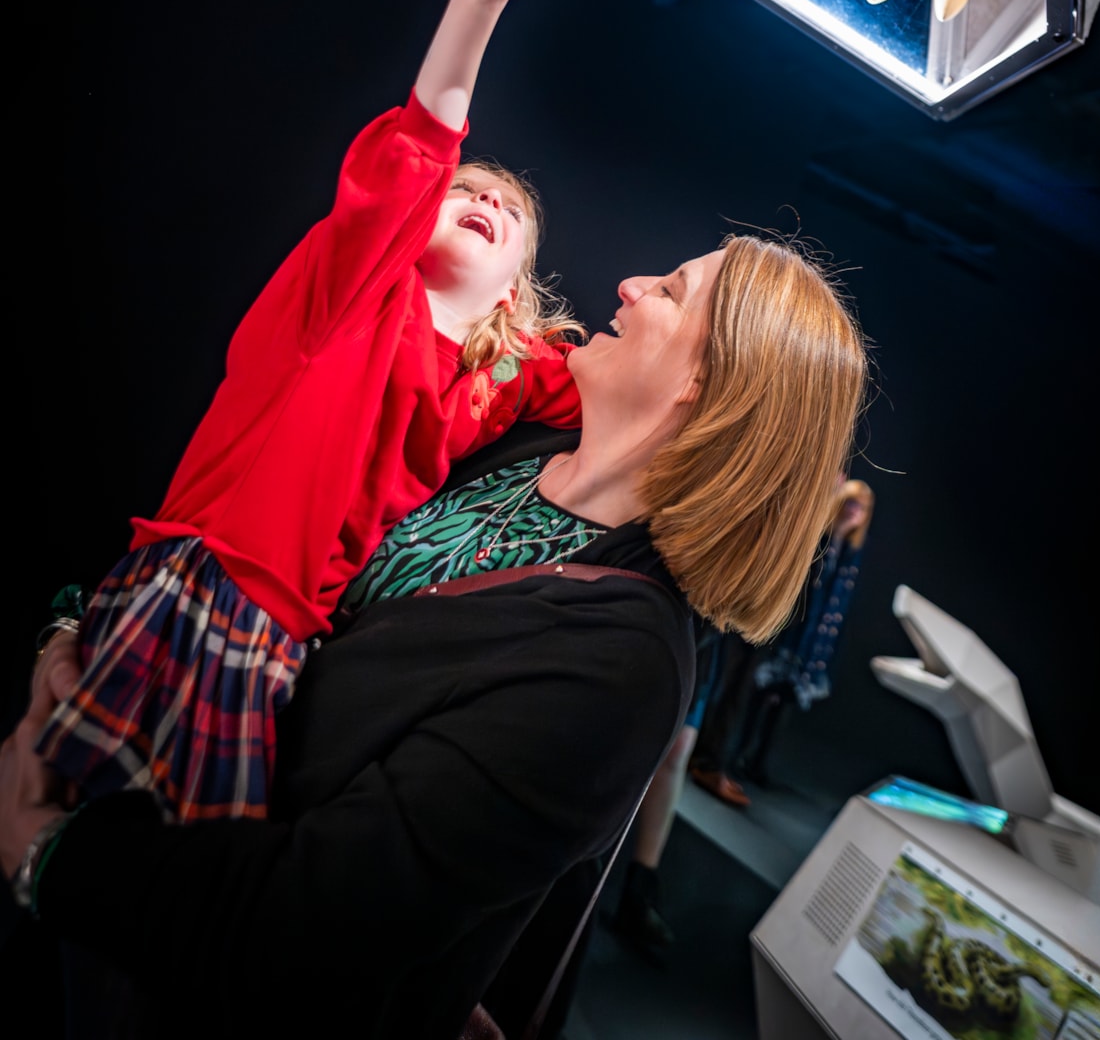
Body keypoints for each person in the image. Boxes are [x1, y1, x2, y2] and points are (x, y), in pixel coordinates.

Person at [2, 221, 869, 1040]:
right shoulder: (521, 439)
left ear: (706, 385)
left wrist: (51, 856)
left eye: (673, 293)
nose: (631, 285)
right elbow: (264, 511)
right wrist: (87, 628)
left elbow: (312, 933)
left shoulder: (621, 669)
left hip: (178, 974)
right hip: (137, 854)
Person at [33, 0, 583, 826]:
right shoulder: (358, 289)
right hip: (197, 588)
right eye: (469, 194)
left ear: (518, 288)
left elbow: (613, 399)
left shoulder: (503, 378)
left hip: (289, 649)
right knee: (66, 844)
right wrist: (477, 2)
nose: (487, 201)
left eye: (510, 213)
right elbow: (424, 140)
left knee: (177, 910)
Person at [610, 478, 873, 961]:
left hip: (709, 623)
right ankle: (605, 873)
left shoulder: (827, 535)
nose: (853, 510)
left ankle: (637, 884)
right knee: (635, 736)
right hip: (672, 591)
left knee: (676, 752)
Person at [689, 477, 875, 805]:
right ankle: (705, 761)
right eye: (848, 502)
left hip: (779, 625)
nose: (853, 511)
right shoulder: (816, 530)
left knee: (740, 693)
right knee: (725, 685)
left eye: (860, 507)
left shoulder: (846, 554)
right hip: (759, 611)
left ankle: (716, 762)